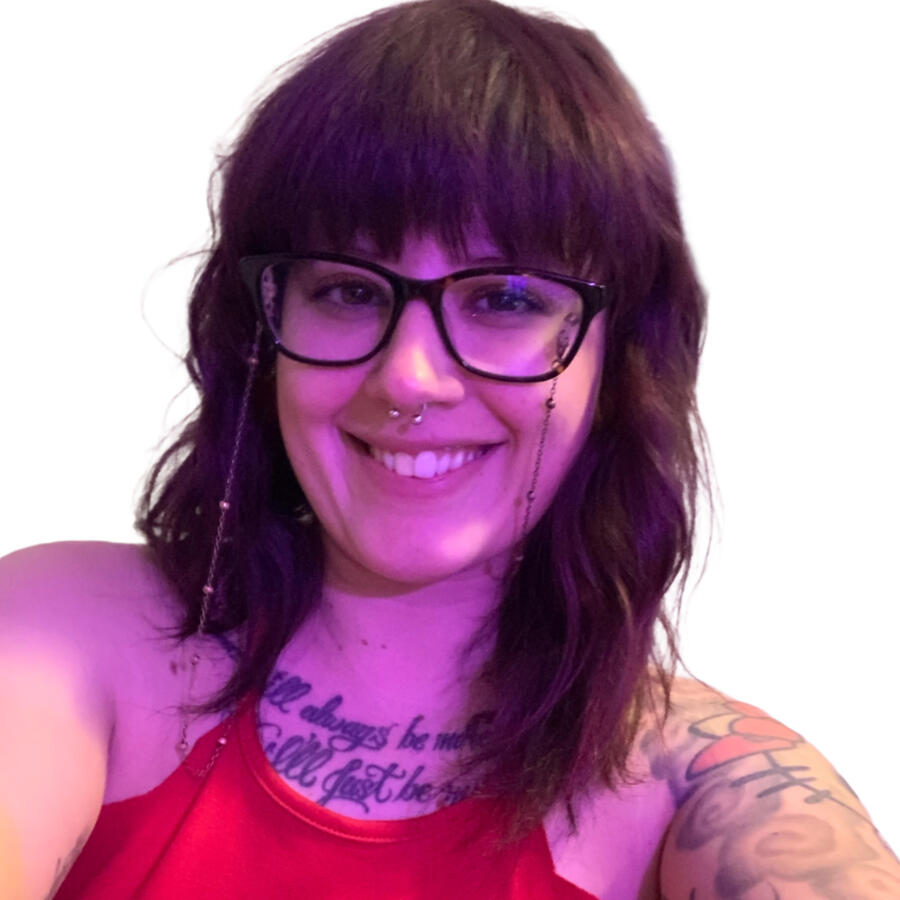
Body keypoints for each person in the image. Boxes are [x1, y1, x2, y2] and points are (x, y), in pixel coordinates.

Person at [1, 1, 897, 898]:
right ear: (263, 333)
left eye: (506, 299)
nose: (410, 377)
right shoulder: (61, 630)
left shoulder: (711, 783)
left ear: (619, 357)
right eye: (348, 290)